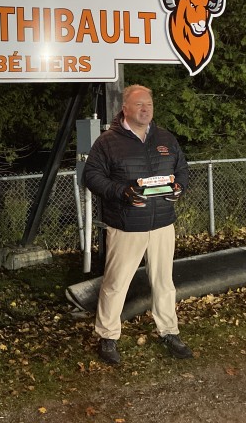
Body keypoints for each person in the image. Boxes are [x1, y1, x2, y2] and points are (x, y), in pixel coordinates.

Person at [83, 85, 193, 365]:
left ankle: (169, 331)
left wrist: (180, 187)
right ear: (126, 109)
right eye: (139, 105)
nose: (146, 110)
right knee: (116, 283)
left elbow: (181, 169)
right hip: (126, 225)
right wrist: (121, 192)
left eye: (149, 105)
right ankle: (108, 337)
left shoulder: (165, 138)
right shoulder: (108, 142)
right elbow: (92, 177)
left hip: (162, 224)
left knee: (164, 282)